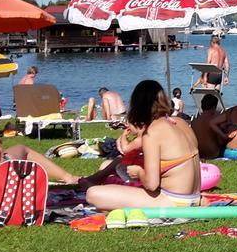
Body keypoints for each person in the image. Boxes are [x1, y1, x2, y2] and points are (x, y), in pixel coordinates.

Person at [85, 80, 201, 210]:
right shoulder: (180, 122)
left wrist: (139, 172)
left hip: (173, 201)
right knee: (109, 166)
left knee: (93, 194)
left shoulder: (152, 132)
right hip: (195, 197)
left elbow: (152, 185)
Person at [191, 94, 229, 159]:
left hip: (199, 153)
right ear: (214, 107)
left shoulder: (194, 121)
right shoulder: (213, 120)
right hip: (213, 153)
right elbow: (221, 141)